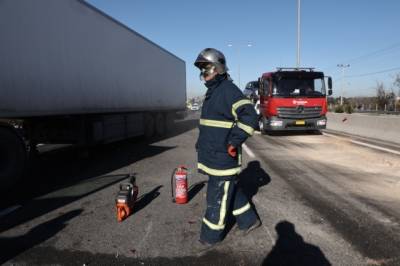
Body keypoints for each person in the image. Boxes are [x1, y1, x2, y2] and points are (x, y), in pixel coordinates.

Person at [194, 48, 261, 246]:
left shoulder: (228, 91)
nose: (203, 75)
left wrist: (234, 141)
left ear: (218, 69)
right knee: (229, 189)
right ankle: (249, 220)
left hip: (223, 157)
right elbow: (210, 124)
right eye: (201, 72)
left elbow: (250, 117)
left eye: (206, 70)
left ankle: (210, 237)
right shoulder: (212, 92)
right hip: (212, 154)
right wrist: (201, 144)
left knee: (217, 197)